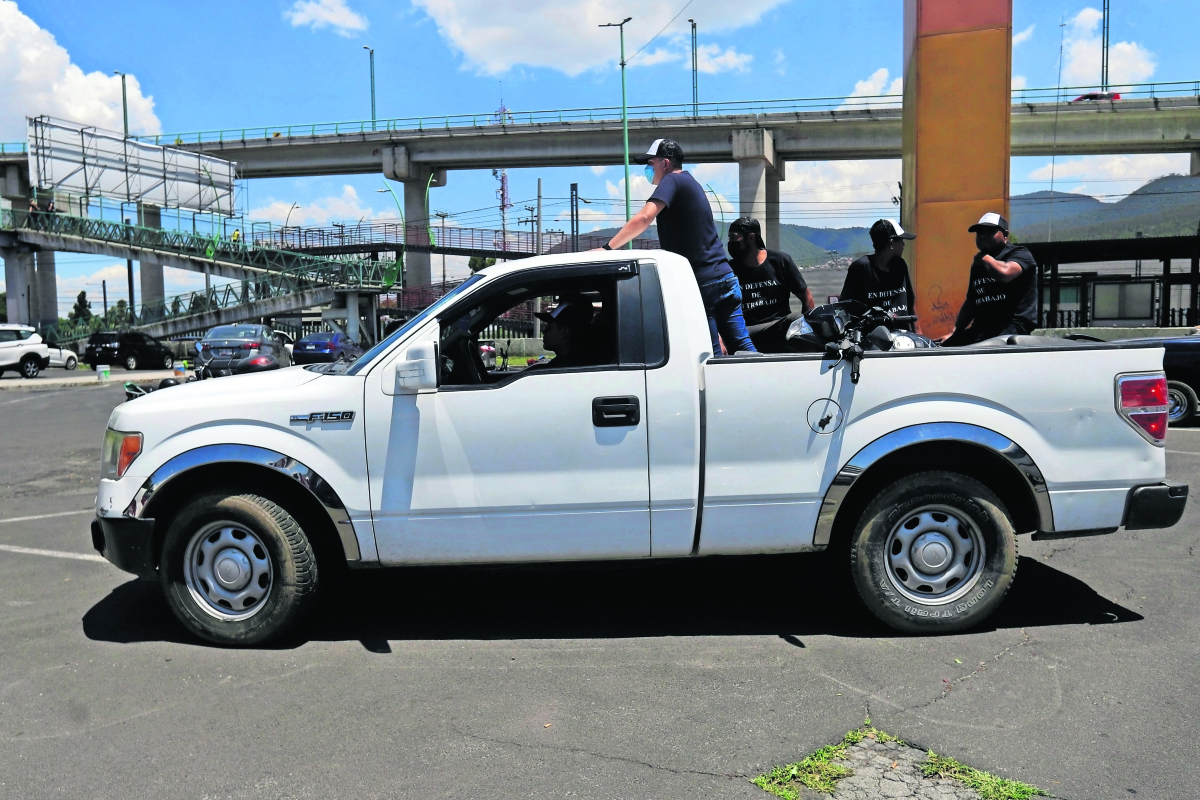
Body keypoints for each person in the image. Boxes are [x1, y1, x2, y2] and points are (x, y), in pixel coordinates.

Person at [600, 138, 756, 355]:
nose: (648, 168)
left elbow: (644, 217)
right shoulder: (690, 182)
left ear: (665, 163)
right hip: (725, 278)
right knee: (742, 346)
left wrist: (608, 248)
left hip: (704, 283)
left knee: (711, 356)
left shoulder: (671, 181)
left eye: (650, 163)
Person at [940, 213, 1038, 346]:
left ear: (1005, 235)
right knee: (946, 347)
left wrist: (985, 258)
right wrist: (955, 332)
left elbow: (1005, 273)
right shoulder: (978, 265)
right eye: (979, 233)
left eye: (990, 231)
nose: (983, 236)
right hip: (982, 328)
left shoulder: (1019, 254)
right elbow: (972, 301)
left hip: (1012, 326)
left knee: (985, 349)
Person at [725, 217, 814, 352]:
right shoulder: (730, 269)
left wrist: (809, 331)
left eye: (734, 238)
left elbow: (807, 298)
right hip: (746, 331)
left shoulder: (780, 261)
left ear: (751, 237)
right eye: (729, 238)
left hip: (778, 327)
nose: (731, 243)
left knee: (796, 319)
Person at [840, 219, 919, 331]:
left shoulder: (900, 266)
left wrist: (919, 334)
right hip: (871, 339)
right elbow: (845, 306)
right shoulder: (861, 268)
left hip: (903, 337)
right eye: (900, 240)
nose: (903, 244)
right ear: (891, 243)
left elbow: (910, 302)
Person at [526, 295, 594, 370]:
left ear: (564, 333)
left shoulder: (566, 368)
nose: (544, 331)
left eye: (549, 327)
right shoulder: (579, 363)